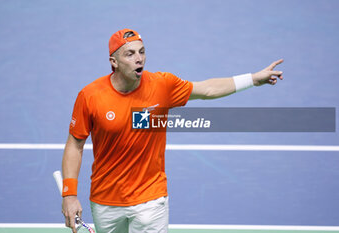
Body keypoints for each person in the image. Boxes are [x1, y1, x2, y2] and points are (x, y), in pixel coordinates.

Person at [61, 28, 283, 233]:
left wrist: (252, 79)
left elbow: (207, 89)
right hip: (106, 200)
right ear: (114, 62)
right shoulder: (90, 96)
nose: (139, 58)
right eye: (129, 54)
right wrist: (69, 194)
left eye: (142, 52)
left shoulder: (162, 85)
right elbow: (75, 144)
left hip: (151, 197)